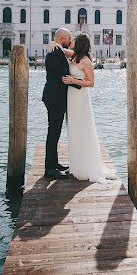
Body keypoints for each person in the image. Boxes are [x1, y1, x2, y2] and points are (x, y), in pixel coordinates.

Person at [58, 33, 116, 183]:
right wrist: (54, 44)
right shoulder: (73, 56)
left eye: (74, 41)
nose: (71, 42)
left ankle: (84, 167)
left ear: (79, 44)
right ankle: (76, 164)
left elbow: (91, 83)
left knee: (82, 129)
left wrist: (73, 80)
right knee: (73, 129)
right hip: (71, 98)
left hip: (81, 99)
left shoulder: (86, 61)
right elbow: (60, 49)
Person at [42, 28, 81, 180]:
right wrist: (80, 84)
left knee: (55, 132)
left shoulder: (57, 50)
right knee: (53, 132)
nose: (70, 41)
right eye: (69, 38)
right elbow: (63, 76)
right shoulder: (54, 53)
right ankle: (49, 169)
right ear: (62, 38)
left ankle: (54, 163)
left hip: (55, 97)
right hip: (54, 98)